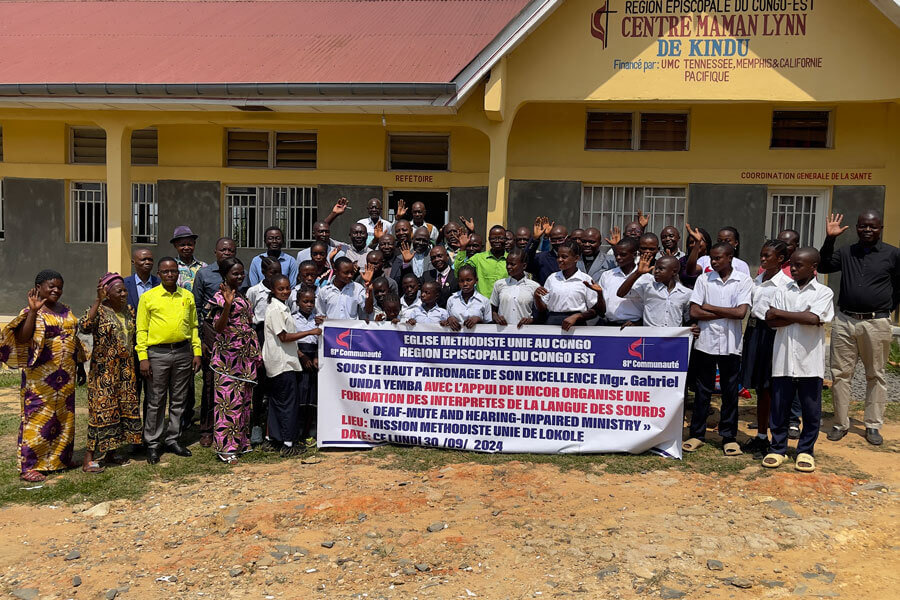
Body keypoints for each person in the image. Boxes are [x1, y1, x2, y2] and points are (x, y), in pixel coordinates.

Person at [820, 211, 900, 446]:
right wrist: (830, 238)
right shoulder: (847, 252)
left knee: (875, 374)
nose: (867, 230)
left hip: (876, 323)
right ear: (856, 227)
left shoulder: (893, 254)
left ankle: (873, 425)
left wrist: (887, 307)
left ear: (880, 228)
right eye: (863, 226)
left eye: (872, 227)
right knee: (840, 374)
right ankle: (840, 423)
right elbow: (823, 266)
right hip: (844, 320)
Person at [0, 270, 86, 482]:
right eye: (51, 286)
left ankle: (60, 460)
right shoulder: (31, 311)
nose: (56, 290)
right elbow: (22, 337)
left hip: (66, 375)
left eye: (59, 286)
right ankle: (29, 465)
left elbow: (73, 338)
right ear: (38, 287)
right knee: (37, 417)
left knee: (64, 418)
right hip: (40, 377)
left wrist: (80, 365)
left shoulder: (65, 310)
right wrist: (32, 312)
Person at [763, 248, 834, 472]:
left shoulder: (823, 292)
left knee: (811, 410)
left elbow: (816, 318)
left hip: (809, 362)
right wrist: (802, 315)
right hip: (783, 359)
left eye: (799, 265)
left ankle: (805, 451)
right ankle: (777, 448)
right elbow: (771, 320)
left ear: (813, 268)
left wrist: (785, 314)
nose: (793, 268)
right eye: (792, 264)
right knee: (779, 408)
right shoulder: (782, 290)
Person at [683, 243, 753, 457]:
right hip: (706, 343)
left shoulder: (743, 280)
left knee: (730, 391)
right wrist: (725, 312)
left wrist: (710, 307)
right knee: (703, 391)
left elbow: (741, 313)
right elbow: (694, 309)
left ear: (730, 257)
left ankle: (729, 437)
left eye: (718, 258)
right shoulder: (704, 279)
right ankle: (697, 434)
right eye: (712, 258)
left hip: (731, 344)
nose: (713, 262)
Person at [136, 257, 202, 464]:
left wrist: (197, 351)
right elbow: (141, 330)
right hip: (157, 354)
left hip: (183, 352)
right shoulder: (148, 297)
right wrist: (143, 357)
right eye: (165, 272)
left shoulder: (187, 296)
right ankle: (153, 443)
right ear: (159, 274)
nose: (170, 274)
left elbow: (193, 327)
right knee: (155, 400)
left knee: (179, 399)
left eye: (174, 271)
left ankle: (173, 438)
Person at [79, 273, 142, 473]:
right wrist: (98, 300)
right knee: (101, 412)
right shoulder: (98, 311)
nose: (124, 294)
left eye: (125, 290)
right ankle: (88, 459)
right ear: (107, 293)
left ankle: (111, 452)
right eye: (119, 291)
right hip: (104, 371)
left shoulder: (129, 311)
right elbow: (84, 326)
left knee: (120, 410)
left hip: (126, 371)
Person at [205, 258, 261, 464]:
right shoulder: (220, 297)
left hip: (244, 357)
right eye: (235, 274)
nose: (239, 276)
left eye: (241, 273)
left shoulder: (242, 296)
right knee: (228, 403)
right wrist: (228, 305)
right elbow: (218, 327)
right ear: (225, 275)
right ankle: (225, 448)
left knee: (244, 401)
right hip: (228, 359)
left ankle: (240, 443)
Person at [739, 240, 791, 458]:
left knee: (771, 386)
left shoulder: (784, 284)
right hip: (754, 332)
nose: (762, 259)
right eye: (761, 255)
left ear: (780, 259)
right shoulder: (758, 280)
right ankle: (761, 436)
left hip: (772, 334)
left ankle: (777, 438)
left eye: (767, 256)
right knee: (760, 386)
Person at [263, 275, 317, 457]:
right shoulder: (276, 310)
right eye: (281, 289)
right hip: (281, 362)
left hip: (283, 360)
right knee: (288, 403)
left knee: (277, 401)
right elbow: (284, 336)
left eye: (287, 288)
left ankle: (273, 439)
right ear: (273, 289)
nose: (285, 291)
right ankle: (288, 443)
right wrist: (309, 331)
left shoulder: (282, 307)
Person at [192, 237, 238, 447]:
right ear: (215, 251)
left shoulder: (240, 274)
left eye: (231, 250)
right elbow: (197, 308)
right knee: (211, 383)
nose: (227, 253)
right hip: (212, 334)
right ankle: (207, 429)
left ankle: (230, 425)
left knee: (233, 383)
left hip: (234, 337)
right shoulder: (204, 274)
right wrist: (202, 339)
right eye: (223, 249)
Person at [124, 247, 159, 422]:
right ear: (133, 262)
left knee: (153, 393)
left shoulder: (160, 284)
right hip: (131, 347)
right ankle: (134, 432)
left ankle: (149, 431)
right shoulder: (124, 285)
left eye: (150, 260)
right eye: (143, 260)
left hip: (155, 347)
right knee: (133, 391)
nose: (147, 263)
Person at [534, 241, 598, 330]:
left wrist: (577, 316)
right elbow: (543, 309)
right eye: (558, 257)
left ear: (576, 258)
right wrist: (537, 298)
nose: (560, 260)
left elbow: (594, 310)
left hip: (577, 324)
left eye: (564, 257)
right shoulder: (552, 278)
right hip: (552, 322)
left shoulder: (585, 279)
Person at [614, 255, 692, 328]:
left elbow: (687, 319)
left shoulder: (686, 293)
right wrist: (637, 273)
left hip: (673, 338)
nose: (656, 271)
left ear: (674, 272)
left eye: (661, 269)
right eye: (656, 268)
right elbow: (621, 293)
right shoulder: (648, 287)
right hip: (651, 337)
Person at [292, 286, 321, 444]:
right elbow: (290, 341)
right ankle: (296, 432)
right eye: (305, 301)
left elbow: (321, 340)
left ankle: (309, 432)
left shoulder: (318, 319)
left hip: (314, 359)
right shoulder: (292, 318)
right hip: (299, 357)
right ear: (298, 302)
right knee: (299, 397)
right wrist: (302, 356)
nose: (309, 304)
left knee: (312, 398)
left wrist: (316, 356)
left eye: (312, 302)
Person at [598, 239, 643, 327]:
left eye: (623, 255)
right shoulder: (607, 275)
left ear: (634, 255)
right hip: (609, 325)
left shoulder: (645, 278)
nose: (618, 257)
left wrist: (639, 323)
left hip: (635, 327)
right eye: (616, 255)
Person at [456, 225, 509, 298]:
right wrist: (462, 249)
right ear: (489, 239)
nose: (497, 241)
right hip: (483, 305)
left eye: (500, 238)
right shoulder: (478, 258)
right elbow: (459, 273)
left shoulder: (511, 259)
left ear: (506, 239)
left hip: (505, 305)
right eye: (493, 238)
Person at [491, 250, 540, 328]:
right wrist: (496, 318)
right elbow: (493, 309)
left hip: (525, 332)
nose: (508, 267)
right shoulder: (499, 284)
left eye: (512, 264)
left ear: (524, 266)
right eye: (507, 264)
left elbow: (539, 313)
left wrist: (531, 320)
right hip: (502, 331)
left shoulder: (534, 286)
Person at [443, 265, 492, 331]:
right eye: (461, 281)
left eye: (469, 280)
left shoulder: (484, 301)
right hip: (455, 338)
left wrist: (479, 319)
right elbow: (446, 321)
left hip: (476, 339)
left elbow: (490, 326)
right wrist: (449, 319)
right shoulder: (452, 300)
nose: (465, 284)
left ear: (476, 280)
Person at [171, 226, 206, 292]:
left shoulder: (203, 266)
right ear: (175, 246)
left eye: (190, 244)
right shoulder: (171, 267)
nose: (186, 248)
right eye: (182, 245)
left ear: (194, 244)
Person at [680, 225, 712, 289]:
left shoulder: (713, 260)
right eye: (691, 242)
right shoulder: (682, 261)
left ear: (707, 243)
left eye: (699, 241)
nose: (694, 244)